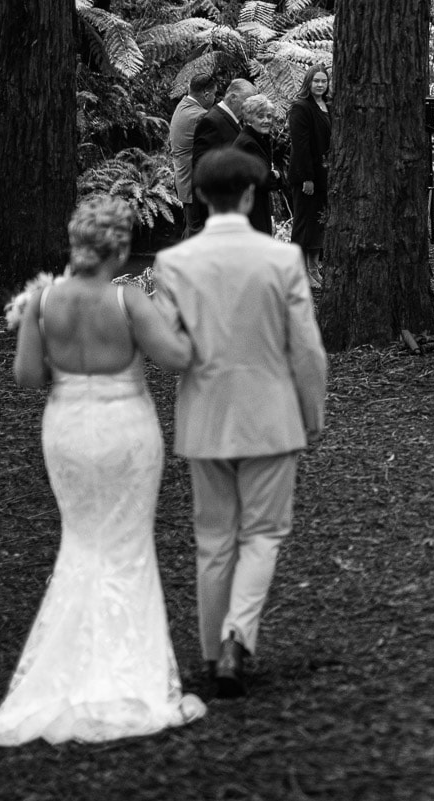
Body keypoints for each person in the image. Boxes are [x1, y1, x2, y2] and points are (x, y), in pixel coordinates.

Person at [0, 196, 206, 746]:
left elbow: (29, 376)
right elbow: (178, 357)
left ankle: (69, 671)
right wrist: (178, 309)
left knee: (80, 543)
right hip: (126, 427)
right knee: (127, 545)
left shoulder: (41, 300)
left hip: (67, 432)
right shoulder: (129, 300)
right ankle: (130, 677)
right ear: (121, 247)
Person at [151, 148, 327, 699]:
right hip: (271, 415)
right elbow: (307, 350)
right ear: (251, 196)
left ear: (201, 195)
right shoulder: (281, 261)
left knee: (213, 538)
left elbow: (170, 350)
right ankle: (236, 637)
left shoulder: (175, 263)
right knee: (264, 532)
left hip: (205, 416)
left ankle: (210, 655)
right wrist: (312, 410)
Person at [189, 78, 256, 233]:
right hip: (217, 208)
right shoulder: (212, 121)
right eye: (247, 101)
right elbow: (202, 165)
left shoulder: (236, 121)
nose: (250, 107)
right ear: (233, 97)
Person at [287, 65, 332, 287]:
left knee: (318, 225)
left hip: (324, 175)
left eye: (324, 81)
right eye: (316, 81)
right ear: (308, 82)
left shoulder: (327, 106)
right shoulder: (300, 107)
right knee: (304, 224)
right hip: (307, 176)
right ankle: (301, 272)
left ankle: (314, 269)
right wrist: (307, 177)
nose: (320, 85)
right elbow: (300, 145)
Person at [169, 73, 219, 235]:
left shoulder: (182, 105)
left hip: (183, 180)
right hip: (193, 182)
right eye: (214, 94)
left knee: (191, 227)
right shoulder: (199, 115)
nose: (215, 98)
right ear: (206, 94)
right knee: (196, 231)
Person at [232, 93, 285, 236]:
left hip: (256, 205)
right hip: (251, 209)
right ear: (249, 118)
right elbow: (264, 180)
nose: (266, 120)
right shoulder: (248, 143)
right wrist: (277, 175)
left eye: (269, 116)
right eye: (261, 116)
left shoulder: (258, 139)